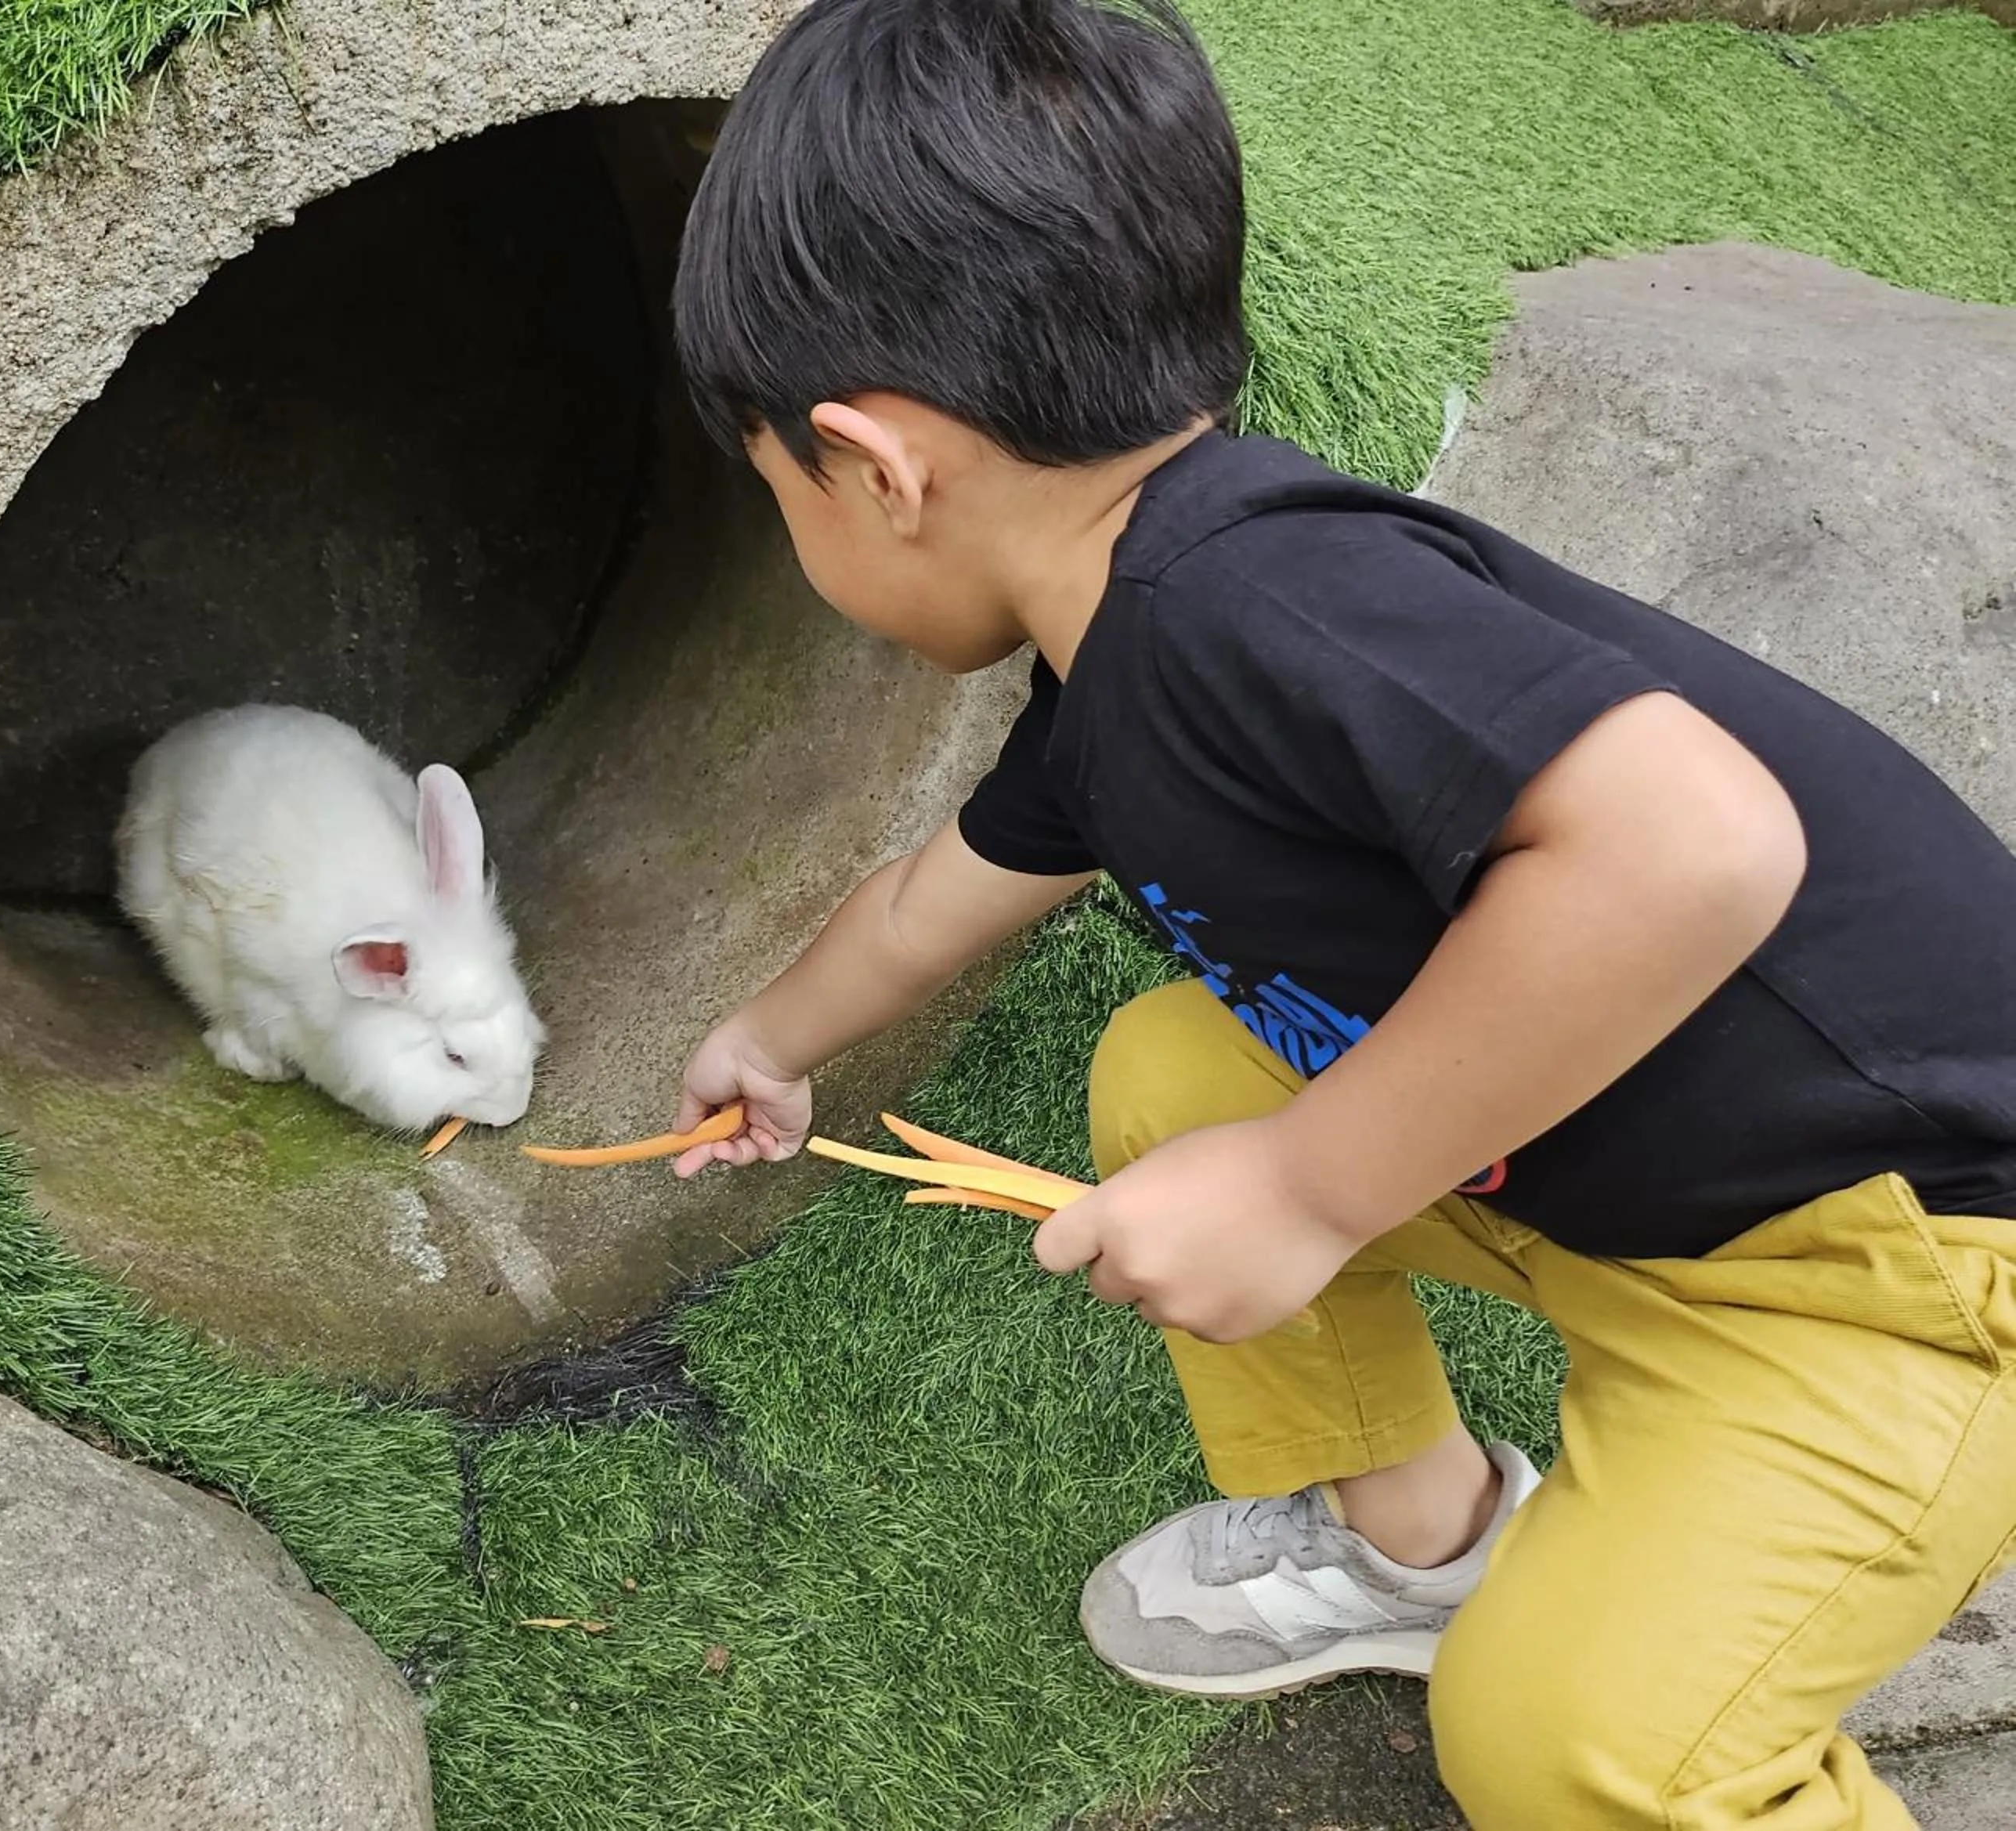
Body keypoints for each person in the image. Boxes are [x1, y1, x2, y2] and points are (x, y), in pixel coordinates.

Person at [660, 0, 2016, 1822]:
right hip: (1619, 1172)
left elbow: (1694, 841)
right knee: (1172, 1072)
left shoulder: (1255, 601)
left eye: (775, 495)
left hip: (1886, 1270)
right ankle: (1422, 1538)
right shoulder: (1116, 651)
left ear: (878, 465)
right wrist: (766, 1043)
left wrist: (1309, 1190)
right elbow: (926, 897)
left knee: (1571, 1744)